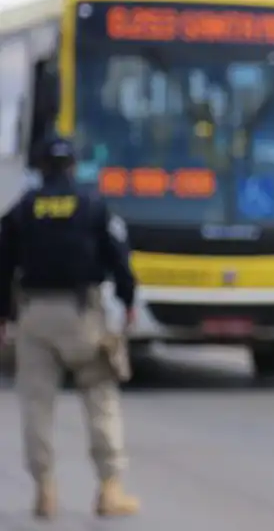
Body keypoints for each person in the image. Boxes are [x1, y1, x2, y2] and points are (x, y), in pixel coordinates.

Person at [0, 134, 141, 519]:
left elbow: (3, 263)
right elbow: (118, 256)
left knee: (37, 404)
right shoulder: (93, 205)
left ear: (40, 168)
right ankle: (109, 489)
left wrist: (3, 315)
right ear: (75, 166)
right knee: (100, 397)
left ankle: (44, 490)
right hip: (82, 315)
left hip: (35, 316)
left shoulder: (23, 208)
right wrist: (128, 300)